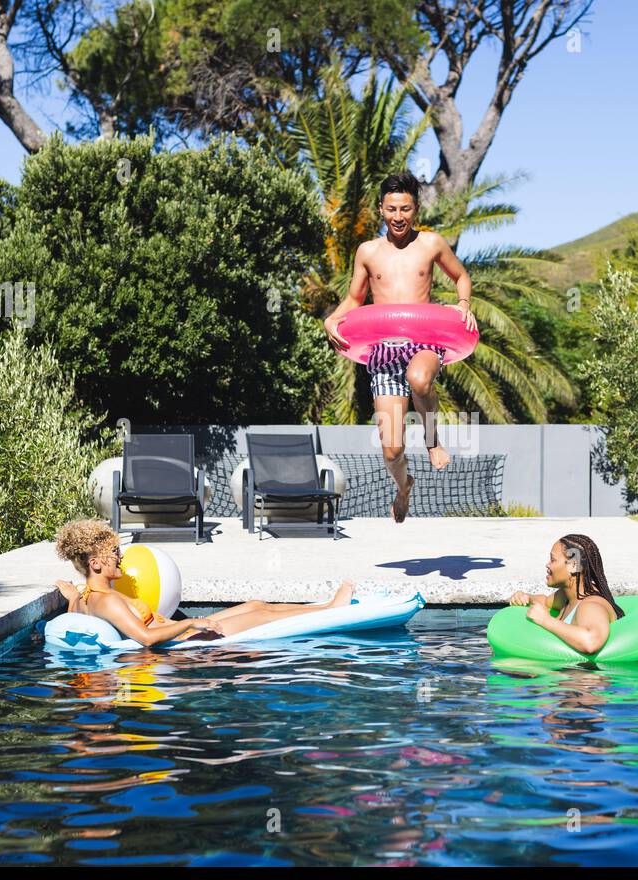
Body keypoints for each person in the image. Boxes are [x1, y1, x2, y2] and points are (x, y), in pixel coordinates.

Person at [322, 170, 477, 523]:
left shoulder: (432, 244)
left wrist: (463, 304)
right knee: (392, 450)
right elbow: (354, 298)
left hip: (425, 340)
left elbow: (461, 277)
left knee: (420, 378)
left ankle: (433, 441)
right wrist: (332, 319)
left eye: (405, 209)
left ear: (416, 209)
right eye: (392, 209)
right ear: (381, 209)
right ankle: (404, 485)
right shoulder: (368, 251)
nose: (398, 217)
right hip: (383, 348)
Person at [53, 519, 356, 647]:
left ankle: (325, 605)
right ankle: (331, 608)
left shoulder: (84, 596)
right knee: (261, 616)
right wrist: (191, 624)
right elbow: (146, 638)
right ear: (95, 563)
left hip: (178, 630)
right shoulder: (106, 600)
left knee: (256, 604)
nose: (121, 557)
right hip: (184, 640)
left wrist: (71, 592)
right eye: (114, 553)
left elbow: (74, 612)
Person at [507, 534, 624, 656]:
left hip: (587, 673)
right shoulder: (567, 596)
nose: (547, 565)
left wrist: (546, 620)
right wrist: (526, 597)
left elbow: (591, 642)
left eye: (553, 560)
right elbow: (545, 601)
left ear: (573, 566)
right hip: (567, 671)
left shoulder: (591, 605)